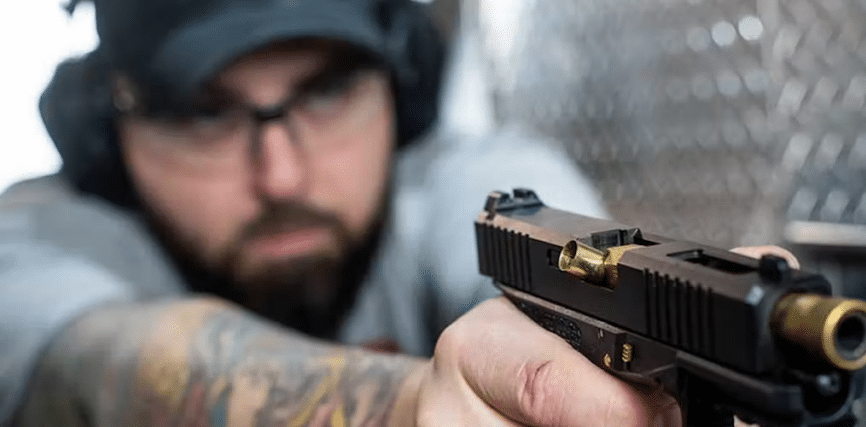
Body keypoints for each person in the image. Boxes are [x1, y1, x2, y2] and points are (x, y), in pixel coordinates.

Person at [0, 0, 794, 425]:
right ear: (105, 129)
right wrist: (415, 408)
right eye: (204, 115)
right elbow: (101, 363)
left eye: (327, 90)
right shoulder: (39, 240)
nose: (281, 173)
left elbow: (558, 259)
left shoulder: (465, 179)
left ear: (402, 92)